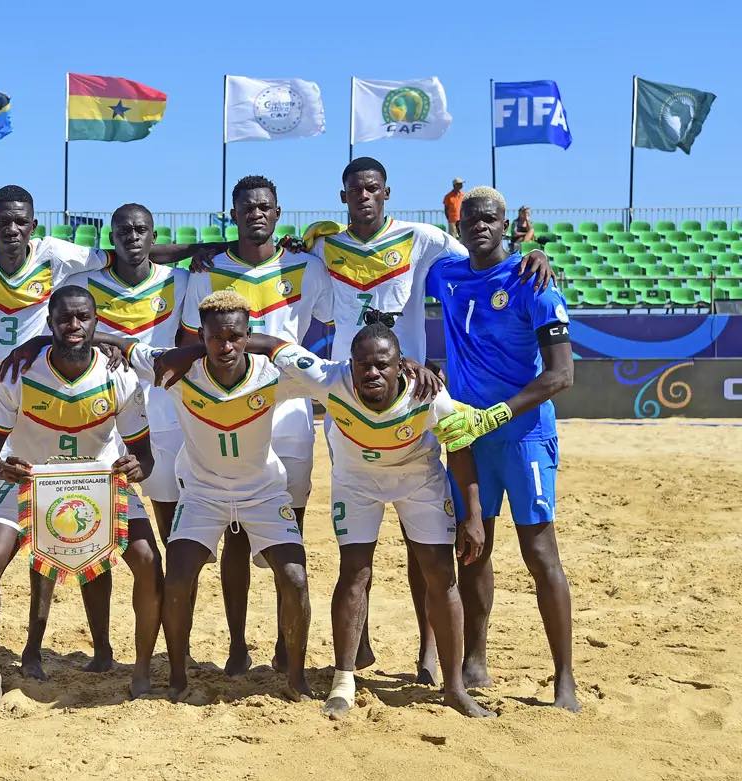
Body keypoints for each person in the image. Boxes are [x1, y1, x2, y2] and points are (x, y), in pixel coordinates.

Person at [293, 156, 553, 684]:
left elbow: (486, 258)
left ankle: (428, 650)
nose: (364, 196)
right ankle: (358, 643)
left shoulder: (425, 238)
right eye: (354, 189)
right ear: (342, 195)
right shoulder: (323, 248)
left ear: (387, 191)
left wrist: (533, 251)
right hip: (347, 396)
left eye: (373, 188)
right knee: (354, 538)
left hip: (415, 398)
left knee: (424, 536)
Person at [244, 317, 493, 719]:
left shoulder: (429, 394)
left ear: (401, 366)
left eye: (383, 365)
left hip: (418, 478)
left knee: (440, 574)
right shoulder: (328, 377)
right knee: (355, 573)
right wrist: (194, 350)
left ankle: (454, 688)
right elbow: (271, 343)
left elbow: (460, 450)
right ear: (351, 364)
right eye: (364, 365)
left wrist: (473, 515)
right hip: (357, 481)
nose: (373, 372)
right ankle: (344, 681)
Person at [429, 186, 579, 712]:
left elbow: (562, 375)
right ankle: (475, 658)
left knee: (540, 553)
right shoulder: (446, 274)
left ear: (503, 223)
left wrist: (500, 413)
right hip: (468, 436)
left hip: (523, 435)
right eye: (471, 218)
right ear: (459, 223)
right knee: (472, 548)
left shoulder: (532, 280)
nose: (480, 226)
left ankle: (563, 677)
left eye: (490, 218)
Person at [0, 285, 162, 703]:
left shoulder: (119, 375)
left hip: (100, 484)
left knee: (149, 561)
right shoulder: (19, 372)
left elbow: (145, 458)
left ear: (96, 323)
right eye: (64, 318)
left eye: (83, 318)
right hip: (30, 481)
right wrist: (1, 467)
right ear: (50, 323)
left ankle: (142, 668)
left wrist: (136, 468)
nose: (74, 326)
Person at [125, 290, 312, 703]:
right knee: (177, 578)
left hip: (262, 492)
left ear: (248, 336)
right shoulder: (176, 373)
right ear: (200, 337)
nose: (225, 346)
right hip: (203, 494)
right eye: (214, 338)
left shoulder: (273, 375)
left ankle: (296, 678)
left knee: (295, 577)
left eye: (235, 337)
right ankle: (177, 675)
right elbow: (117, 343)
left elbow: (340, 375)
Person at [180, 175, 331, 678]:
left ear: (278, 210)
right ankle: (239, 644)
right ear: (234, 212)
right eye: (247, 207)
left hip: (288, 411)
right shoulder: (207, 270)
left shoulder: (308, 267)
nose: (256, 214)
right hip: (231, 405)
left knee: (289, 534)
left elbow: (335, 318)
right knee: (236, 532)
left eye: (265, 206)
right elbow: (188, 340)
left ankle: (288, 646)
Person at [55, 203, 187, 542]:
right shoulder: (82, 282)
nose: (132, 236)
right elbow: (61, 328)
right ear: (110, 238)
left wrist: (117, 342)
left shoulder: (179, 281)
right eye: (123, 231)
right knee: (94, 518)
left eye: (140, 230)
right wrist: (102, 341)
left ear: (153, 237)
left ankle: (171, 591)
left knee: (169, 517)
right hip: (102, 411)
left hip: (162, 411)